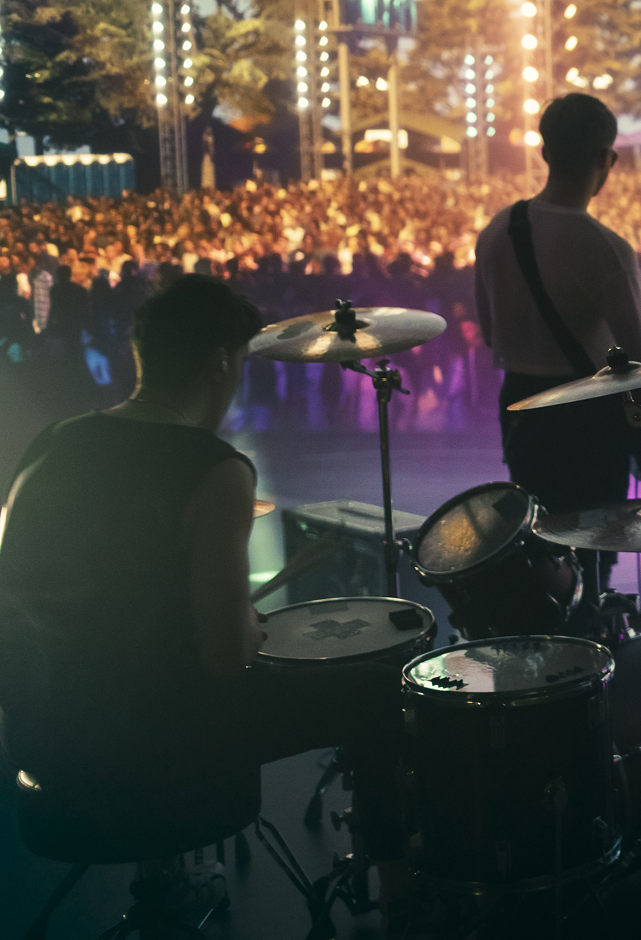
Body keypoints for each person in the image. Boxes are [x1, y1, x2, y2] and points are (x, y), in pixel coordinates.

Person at [0, 277, 415, 930]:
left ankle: (169, 876)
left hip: (44, 742)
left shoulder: (52, 443)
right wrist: (246, 623)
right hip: (157, 748)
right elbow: (226, 657)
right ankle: (401, 895)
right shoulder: (214, 467)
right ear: (222, 363)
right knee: (382, 689)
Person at [473, 94, 641, 595]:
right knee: (593, 569)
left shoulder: (497, 230)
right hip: (590, 428)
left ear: (545, 152)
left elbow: (491, 334)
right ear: (607, 158)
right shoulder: (605, 247)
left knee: (542, 563)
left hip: (522, 417)